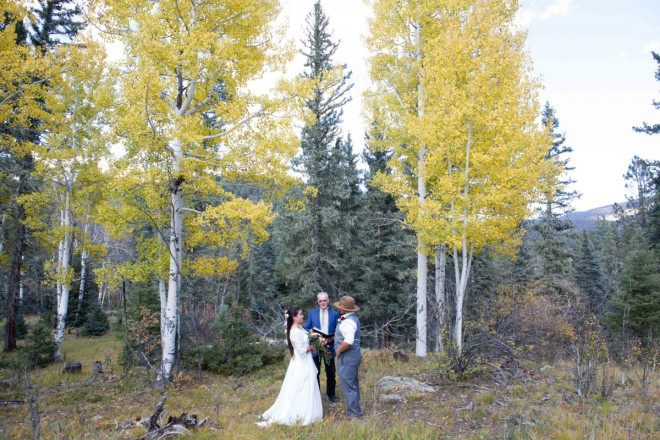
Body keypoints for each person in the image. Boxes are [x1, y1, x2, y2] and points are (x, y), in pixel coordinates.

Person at [258, 306, 323, 427]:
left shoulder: (299, 327)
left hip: (306, 362)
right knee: (300, 387)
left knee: (309, 386)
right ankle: (299, 413)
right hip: (301, 363)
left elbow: (304, 338)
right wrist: (313, 347)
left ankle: (310, 411)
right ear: (294, 317)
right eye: (300, 314)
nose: (302, 316)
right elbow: (302, 351)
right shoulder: (293, 332)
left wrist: (312, 336)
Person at [304, 292, 340, 403]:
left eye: (324, 300)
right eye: (320, 301)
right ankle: (316, 395)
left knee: (331, 372)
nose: (323, 302)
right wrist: (314, 335)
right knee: (316, 372)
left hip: (329, 346)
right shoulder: (312, 313)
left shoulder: (334, 314)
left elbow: (339, 331)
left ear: (328, 301)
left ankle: (331, 394)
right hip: (316, 346)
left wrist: (331, 338)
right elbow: (306, 329)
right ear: (317, 302)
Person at [333, 295, 364, 418]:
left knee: (348, 384)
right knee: (352, 383)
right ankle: (355, 410)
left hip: (348, 356)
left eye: (340, 307)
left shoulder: (348, 322)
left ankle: (355, 413)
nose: (339, 309)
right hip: (353, 355)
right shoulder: (352, 318)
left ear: (344, 309)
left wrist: (338, 350)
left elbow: (348, 341)